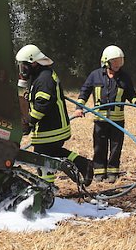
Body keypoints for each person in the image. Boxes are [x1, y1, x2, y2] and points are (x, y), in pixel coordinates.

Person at [16, 44, 93, 188]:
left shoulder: (44, 79)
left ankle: (47, 188)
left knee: (42, 158)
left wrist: (29, 121)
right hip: (51, 127)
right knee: (52, 154)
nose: (22, 70)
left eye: (24, 66)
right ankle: (82, 164)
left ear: (33, 63)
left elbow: (42, 104)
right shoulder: (40, 76)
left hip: (51, 128)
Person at [74, 45, 136, 183]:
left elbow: (131, 94)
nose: (118, 64)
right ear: (106, 61)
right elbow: (84, 92)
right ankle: (99, 172)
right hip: (100, 120)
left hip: (117, 121)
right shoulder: (95, 75)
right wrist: (79, 108)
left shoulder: (125, 77)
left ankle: (113, 172)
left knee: (115, 147)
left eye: (120, 61)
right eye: (115, 61)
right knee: (99, 146)